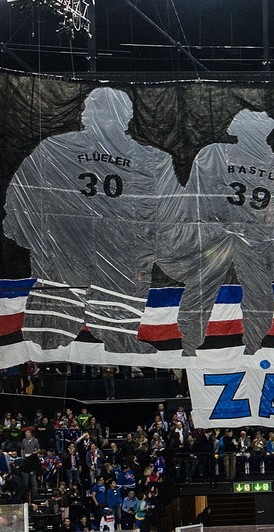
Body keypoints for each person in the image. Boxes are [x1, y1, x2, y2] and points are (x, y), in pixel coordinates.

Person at [4, 87, 176, 354]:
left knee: (61, 299)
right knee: (103, 294)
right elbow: (170, 209)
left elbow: (21, 194)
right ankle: (106, 338)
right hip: (113, 250)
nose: (84, 115)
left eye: (90, 109)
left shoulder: (55, 147)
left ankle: (54, 338)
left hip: (73, 249)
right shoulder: (152, 159)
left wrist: (30, 236)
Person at [168, 109, 274, 355]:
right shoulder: (218, 155)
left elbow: (196, 199)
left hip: (245, 238)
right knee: (207, 290)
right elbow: (197, 198)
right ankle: (194, 343)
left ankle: (244, 344)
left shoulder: (218, 154)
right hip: (226, 237)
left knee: (251, 294)